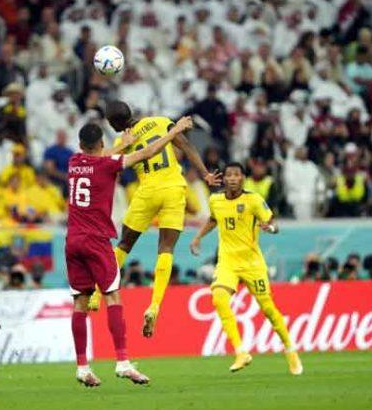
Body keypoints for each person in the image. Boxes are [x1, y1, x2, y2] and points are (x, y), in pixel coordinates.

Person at [66, 116, 192, 387]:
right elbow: (148, 153)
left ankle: (82, 367)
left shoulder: (74, 162)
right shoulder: (107, 165)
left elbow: (98, 157)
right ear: (101, 143)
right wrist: (175, 132)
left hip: (72, 240)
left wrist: (122, 143)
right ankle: (123, 363)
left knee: (80, 302)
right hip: (96, 241)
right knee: (113, 296)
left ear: (80, 144)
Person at [88, 100, 221, 339]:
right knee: (166, 249)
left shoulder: (122, 142)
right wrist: (205, 174)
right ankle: (155, 305)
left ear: (114, 124)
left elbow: (100, 163)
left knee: (124, 245)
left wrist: (122, 147)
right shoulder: (160, 122)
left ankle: (98, 293)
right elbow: (187, 146)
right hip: (174, 188)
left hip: (147, 192)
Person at [190, 162, 303, 375]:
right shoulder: (215, 200)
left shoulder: (253, 200)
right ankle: (241, 352)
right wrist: (197, 237)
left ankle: (290, 349)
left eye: (236, 175)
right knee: (218, 298)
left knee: (268, 309)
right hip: (228, 262)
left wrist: (269, 227)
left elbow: (273, 223)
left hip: (252, 264)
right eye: (229, 175)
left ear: (243, 178)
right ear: (224, 179)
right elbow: (214, 219)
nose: (232, 178)